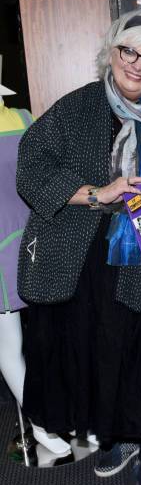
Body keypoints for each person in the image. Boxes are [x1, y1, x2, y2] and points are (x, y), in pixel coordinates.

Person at [16, 10, 141, 485]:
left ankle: (124, 436)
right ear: (111, 51)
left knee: (122, 347)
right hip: (72, 256)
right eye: (130, 51)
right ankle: (91, 428)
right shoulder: (74, 108)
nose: (138, 65)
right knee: (73, 343)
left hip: (136, 264)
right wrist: (98, 193)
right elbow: (31, 167)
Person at [0, 81, 73, 458]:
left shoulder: (26, 118)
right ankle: (40, 423)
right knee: (8, 345)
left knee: (51, 335)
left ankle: (58, 411)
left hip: (34, 241)